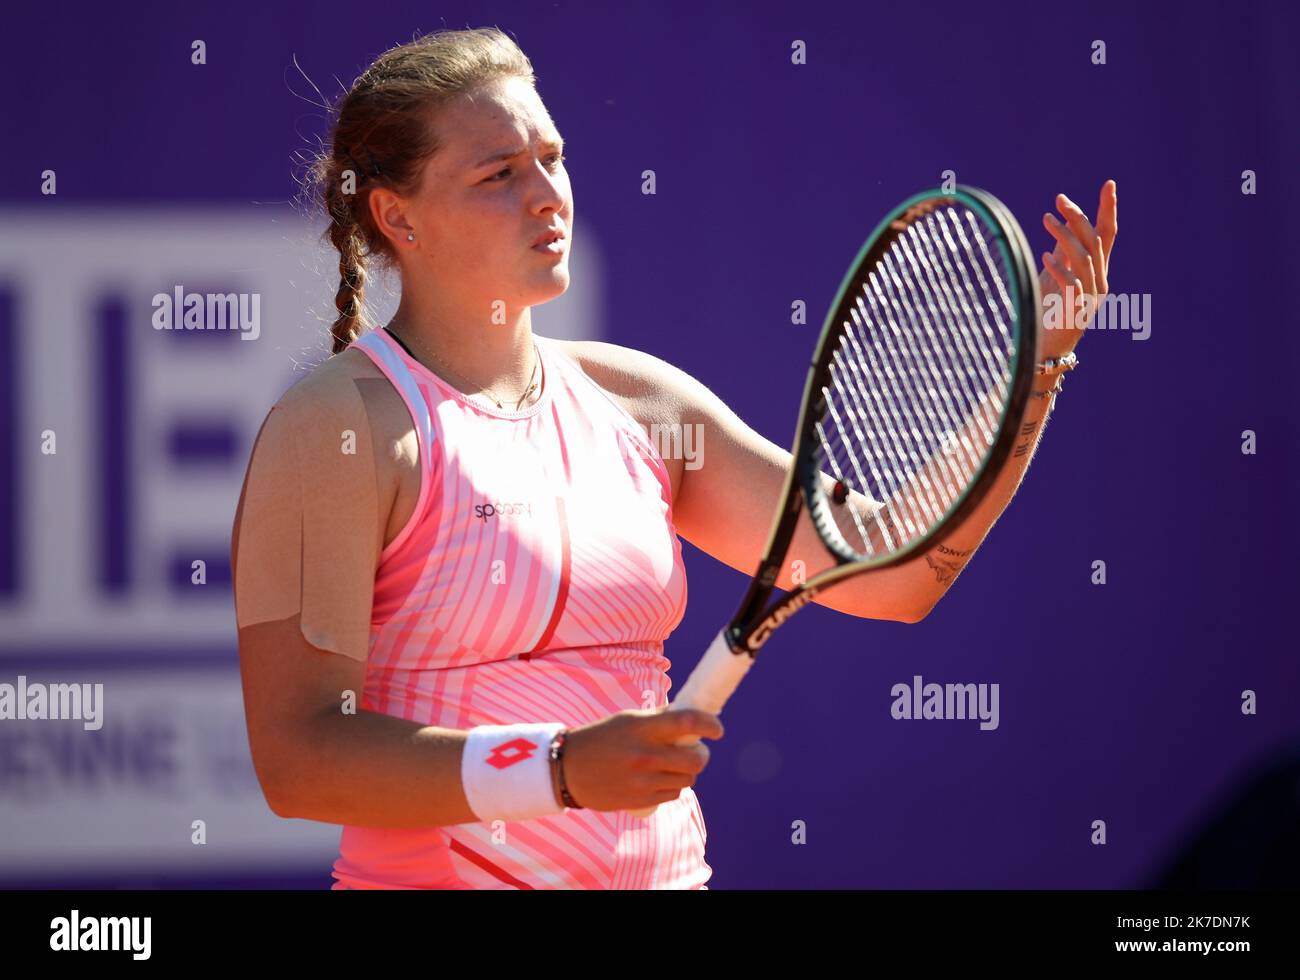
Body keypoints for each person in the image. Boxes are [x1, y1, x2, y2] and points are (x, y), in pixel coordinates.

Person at [231, 27, 1117, 889]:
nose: (548, 194)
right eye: (499, 174)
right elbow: (301, 757)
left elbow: (895, 569)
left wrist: (1034, 371)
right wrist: (562, 768)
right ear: (397, 216)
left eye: (553, 157)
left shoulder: (642, 404)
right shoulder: (334, 429)